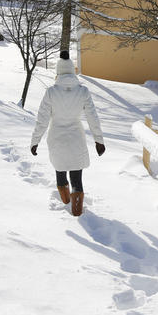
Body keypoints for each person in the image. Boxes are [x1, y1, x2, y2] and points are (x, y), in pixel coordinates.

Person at [30, 51, 105, 216]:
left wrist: (35, 141)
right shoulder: (83, 91)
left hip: (56, 138)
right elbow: (93, 117)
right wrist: (99, 140)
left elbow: (42, 119)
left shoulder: (51, 92)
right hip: (76, 138)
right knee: (76, 177)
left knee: (60, 170)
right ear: (72, 70)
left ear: (58, 72)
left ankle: (66, 202)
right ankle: (77, 209)